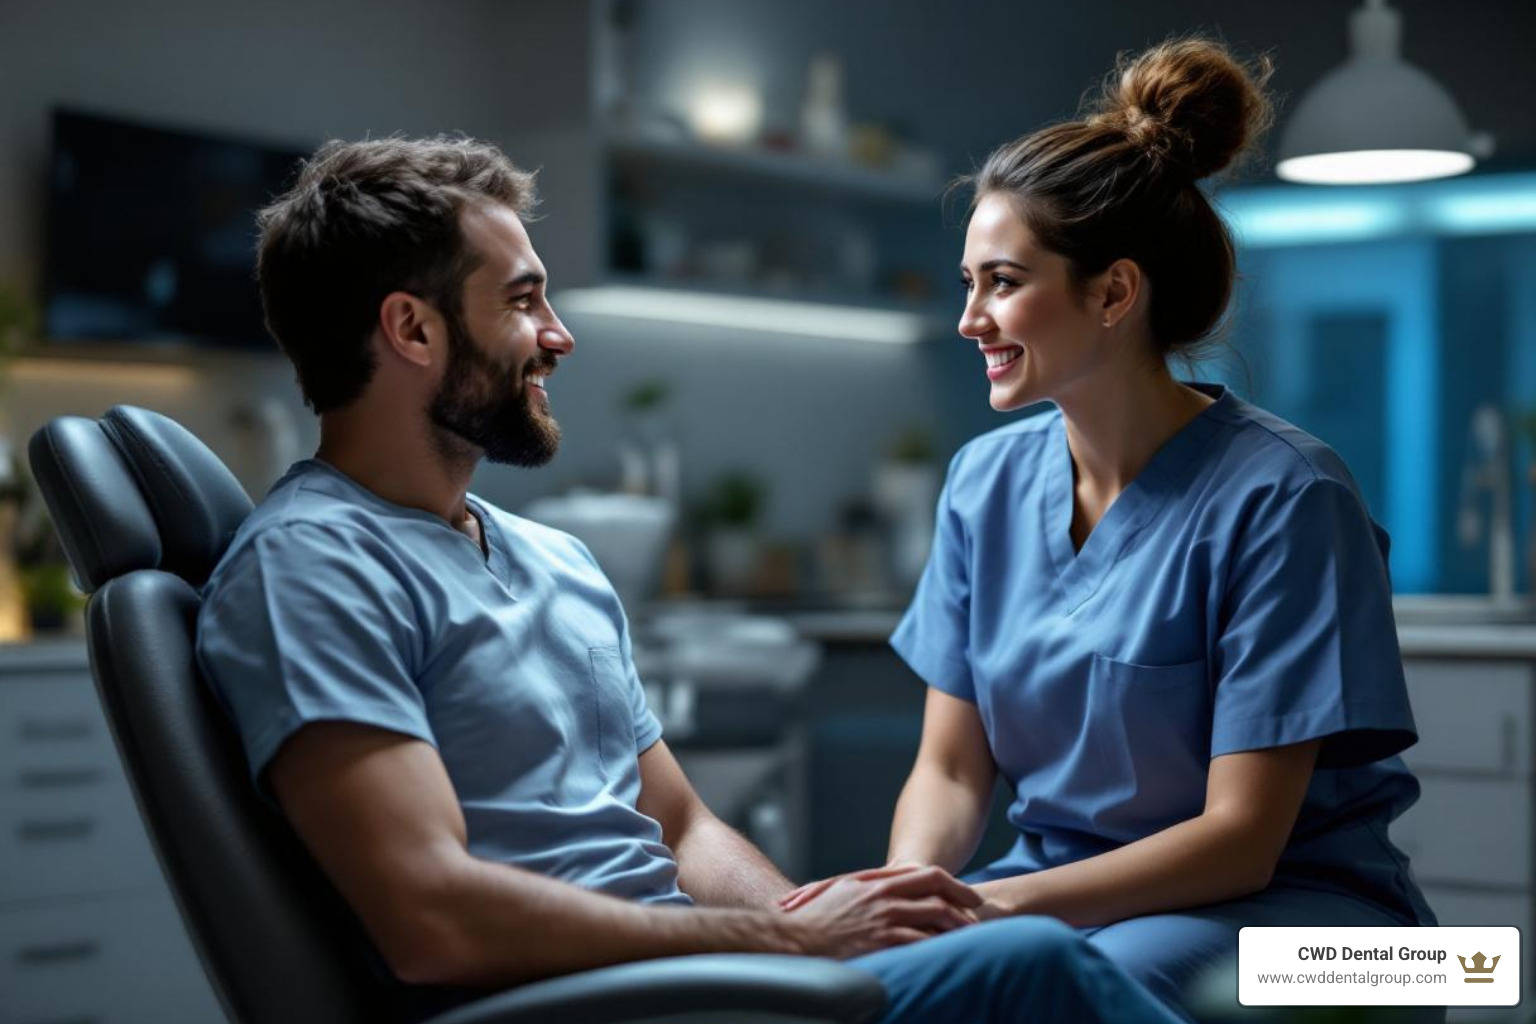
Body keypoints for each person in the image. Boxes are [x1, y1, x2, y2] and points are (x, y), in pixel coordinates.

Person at [195, 135, 1185, 1024]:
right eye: (523, 298)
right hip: (604, 999)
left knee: (1267, 969)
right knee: (1045, 966)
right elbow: (428, 916)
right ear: (412, 331)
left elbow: (679, 822)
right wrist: (795, 943)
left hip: (1299, 930)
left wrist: (816, 932)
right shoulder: (314, 569)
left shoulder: (554, 560)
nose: (560, 334)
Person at [782, 38, 1441, 1024]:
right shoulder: (982, 485)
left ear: (1114, 293)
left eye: (1001, 281)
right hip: (1056, 896)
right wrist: (907, 894)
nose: (970, 318)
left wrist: (992, 902)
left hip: (1307, 922)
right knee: (870, 991)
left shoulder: (1286, 495)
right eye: (967, 282)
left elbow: (1241, 840)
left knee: (1060, 994)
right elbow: (954, 767)